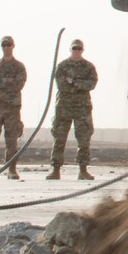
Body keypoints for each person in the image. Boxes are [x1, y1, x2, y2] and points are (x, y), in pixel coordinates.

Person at [48, 39, 99, 180]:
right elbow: (61, 84)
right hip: (64, 107)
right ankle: (55, 169)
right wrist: (79, 85)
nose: (77, 51)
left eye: (79, 49)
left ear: (82, 50)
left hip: (82, 108)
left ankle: (83, 170)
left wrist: (75, 82)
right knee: (59, 138)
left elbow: (92, 83)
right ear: (70, 49)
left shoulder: (89, 67)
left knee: (84, 139)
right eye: (74, 48)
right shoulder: (62, 66)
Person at [0, 36, 27, 179]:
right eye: (4, 45)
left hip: (12, 109)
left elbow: (18, 85)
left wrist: (2, 83)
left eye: (9, 45)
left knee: (12, 139)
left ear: (13, 46)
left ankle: (11, 169)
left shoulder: (19, 67)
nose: (6, 47)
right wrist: (7, 82)